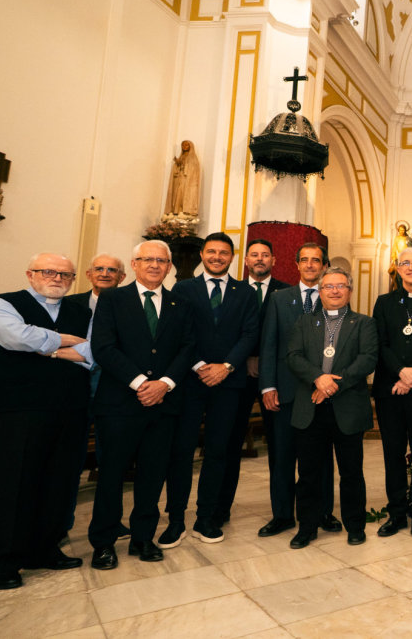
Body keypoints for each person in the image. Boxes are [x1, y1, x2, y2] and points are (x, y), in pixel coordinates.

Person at [89, 240, 196, 570]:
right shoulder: (111, 299)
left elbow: (187, 349)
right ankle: (104, 542)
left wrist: (164, 385)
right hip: (120, 402)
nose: (154, 265)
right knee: (111, 475)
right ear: (133, 265)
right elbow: (104, 348)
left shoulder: (181, 304)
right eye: (147, 259)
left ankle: (142, 538)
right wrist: (140, 383)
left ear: (169, 267)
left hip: (163, 405)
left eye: (161, 261)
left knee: (153, 473)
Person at [0, 254, 93, 588]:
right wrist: (67, 341)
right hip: (20, 409)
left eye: (65, 274)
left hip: (71, 408)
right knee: (16, 483)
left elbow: (93, 353)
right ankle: (5, 561)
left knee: (60, 481)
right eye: (48, 271)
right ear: (30, 274)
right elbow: (14, 338)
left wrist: (45, 347)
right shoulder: (5, 303)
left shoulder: (84, 312)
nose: (57, 278)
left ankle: (45, 549)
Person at [162, 233, 259, 547]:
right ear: (203, 254)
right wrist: (201, 365)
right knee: (181, 451)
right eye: (212, 251)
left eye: (224, 252)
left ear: (232, 257)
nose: (217, 257)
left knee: (218, 451)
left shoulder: (245, 291)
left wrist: (227, 366)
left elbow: (249, 334)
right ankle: (176, 519)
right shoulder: (183, 288)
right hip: (191, 380)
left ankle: (206, 518)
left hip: (229, 382)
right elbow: (180, 332)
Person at [286, 268, 378, 549]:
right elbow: (293, 356)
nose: (335, 291)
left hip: (347, 407)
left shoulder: (364, 323)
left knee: (351, 472)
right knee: (309, 474)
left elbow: (368, 359)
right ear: (320, 292)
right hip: (310, 408)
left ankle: (355, 525)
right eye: (328, 287)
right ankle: (307, 527)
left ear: (350, 291)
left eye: (341, 286)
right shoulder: (304, 322)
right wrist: (318, 377)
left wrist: (332, 384)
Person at [258, 243, 340, 538]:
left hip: (322, 392)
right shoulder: (280, 299)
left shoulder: (335, 296)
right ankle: (282, 515)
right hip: (286, 390)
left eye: (315, 260)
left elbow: (341, 347)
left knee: (321, 458)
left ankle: (323, 512)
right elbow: (269, 344)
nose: (309, 265)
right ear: (295, 265)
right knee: (282, 456)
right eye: (304, 260)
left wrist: (329, 383)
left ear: (324, 265)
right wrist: (267, 385)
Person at [218, 238, 290, 525]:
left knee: (279, 445)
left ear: (274, 260)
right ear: (245, 260)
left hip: (274, 378)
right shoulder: (232, 290)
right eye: (254, 255)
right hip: (236, 376)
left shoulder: (286, 292)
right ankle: (220, 508)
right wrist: (243, 359)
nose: (259, 259)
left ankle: (281, 512)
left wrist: (266, 362)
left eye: (265, 255)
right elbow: (224, 333)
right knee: (230, 442)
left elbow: (290, 336)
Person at [372, 247, 412, 538]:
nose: (411, 267)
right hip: (391, 389)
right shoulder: (384, 302)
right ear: (397, 269)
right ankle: (396, 512)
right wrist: (400, 372)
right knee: (393, 453)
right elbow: (380, 343)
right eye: (405, 263)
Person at [63, 254, 126, 535]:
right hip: (73, 389)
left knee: (112, 459)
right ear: (89, 274)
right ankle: (59, 525)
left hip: (113, 390)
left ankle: (109, 522)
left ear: (122, 277)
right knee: (67, 461)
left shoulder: (130, 305)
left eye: (112, 270)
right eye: (99, 268)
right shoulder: (70, 304)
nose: (105, 273)